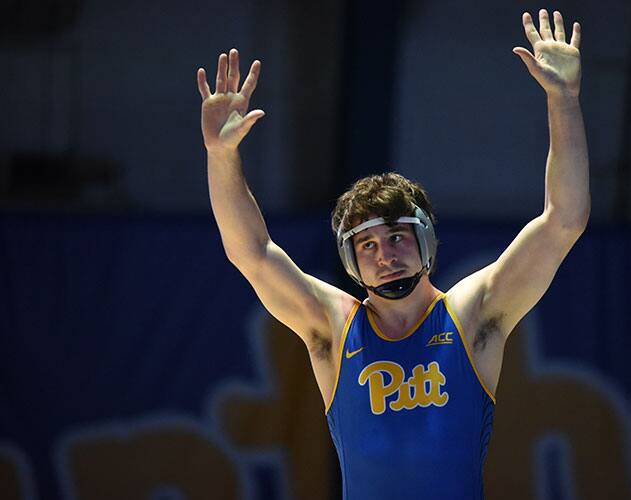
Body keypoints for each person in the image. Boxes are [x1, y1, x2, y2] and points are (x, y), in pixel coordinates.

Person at [198, 8, 588, 500]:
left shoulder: (472, 314)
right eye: (368, 244)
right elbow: (251, 252)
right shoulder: (332, 328)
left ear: (427, 242)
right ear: (350, 260)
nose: (385, 254)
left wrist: (565, 101)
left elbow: (564, 222)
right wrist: (220, 156)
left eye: (398, 236)